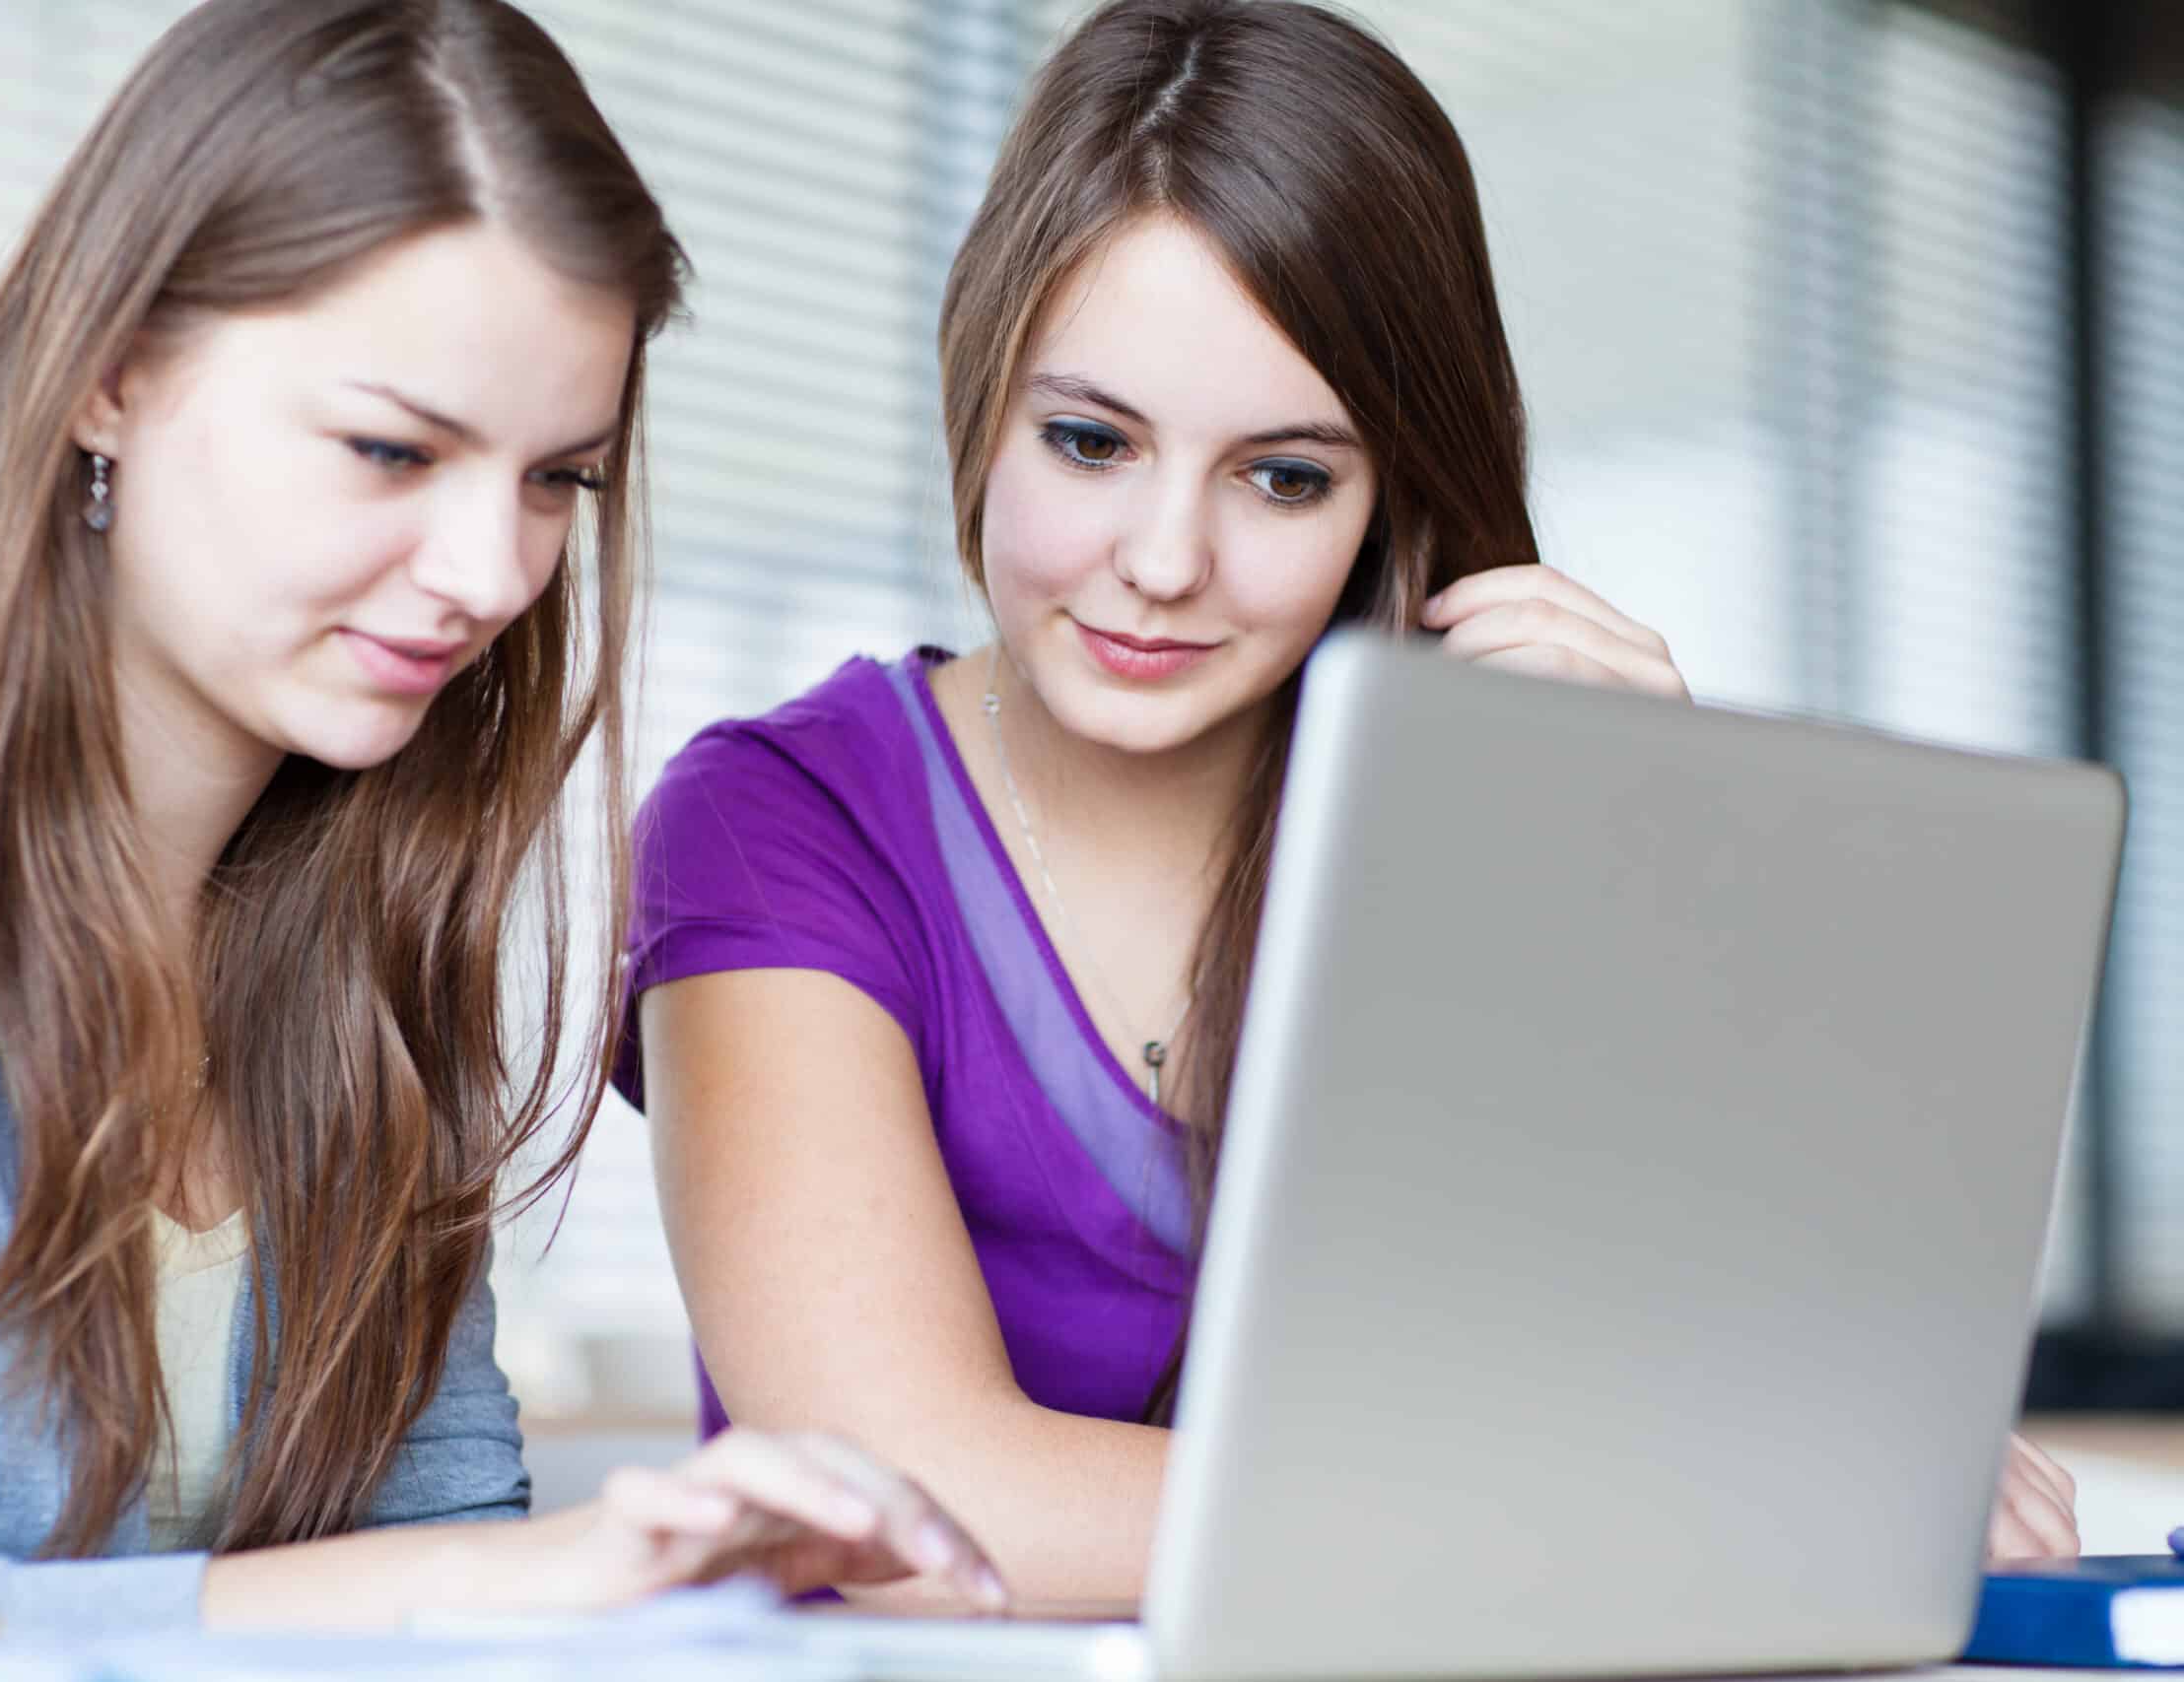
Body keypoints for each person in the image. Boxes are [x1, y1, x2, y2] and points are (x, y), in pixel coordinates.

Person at [625, 0, 2081, 1606]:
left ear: (1394, 492)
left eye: (1284, 476)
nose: (1166, 559)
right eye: (1092, 441)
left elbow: (1754, 1400)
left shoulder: (1458, 835)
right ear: (982, 395)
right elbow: (901, 1506)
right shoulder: (778, 821)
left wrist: (1662, 873)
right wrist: (1651, 1518)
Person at [0, 0, 1004, 1637]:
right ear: (113, 373)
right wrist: (493, 1580)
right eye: (391, 449)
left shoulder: (366, 862)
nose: (491, 574)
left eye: (553, 480)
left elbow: (445, 1543)